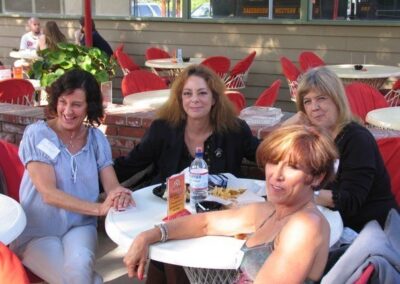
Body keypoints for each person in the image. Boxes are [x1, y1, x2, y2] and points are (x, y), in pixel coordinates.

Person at [123, 124, 338, 283]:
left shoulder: (305, 226)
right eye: (273, 162)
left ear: (317, 177)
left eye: (292, 167)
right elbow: (205, 222)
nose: (276, 175)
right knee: (166, 265)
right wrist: (148, 236)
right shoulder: (270, 211)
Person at [114, 64, 260, 283]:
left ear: (214, 99)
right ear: (180, 99)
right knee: (169, 258)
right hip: (167, 212)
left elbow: (264, 154)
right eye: (187, 93)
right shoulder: (163, 129)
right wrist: (101, 182)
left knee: (172, 261)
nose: (195, 99)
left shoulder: (234, 129)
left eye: (202, 93)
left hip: (216, 219)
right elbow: (132, 163)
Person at [10, 69, 134, 283]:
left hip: (81, 226)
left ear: (89, 107)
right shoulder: (38, 134)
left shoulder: (96, 140)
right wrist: (98, 208)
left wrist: (119, 195)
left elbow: (112, 185)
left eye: (76, 104)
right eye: (62, 102)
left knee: (79, 270)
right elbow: (48, 194)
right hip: (38, 231)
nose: (67, 110)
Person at [283, 66, 398, 232]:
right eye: (307, 101)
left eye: (321, 98)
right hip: (334, 223)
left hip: (371, 231)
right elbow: (270, 155)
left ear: (337, 100)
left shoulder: (357, 139)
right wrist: (287, 129)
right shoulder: (318, 136)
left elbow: (349, 201)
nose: (314, 107)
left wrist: (302, 194)